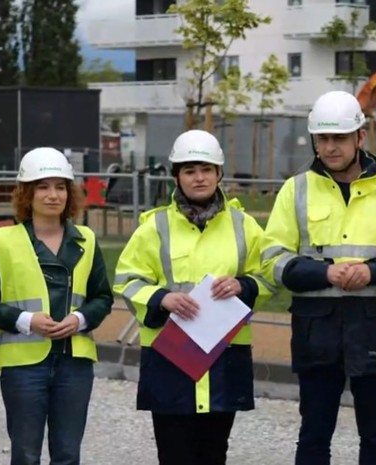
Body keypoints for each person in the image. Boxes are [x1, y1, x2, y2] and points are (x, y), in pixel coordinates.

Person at [260, 90, 376, 465]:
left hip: (373, 330)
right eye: (323, 138)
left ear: (360, 137)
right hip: (316, 332)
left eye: (339, 137)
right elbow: (273, 259)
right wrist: (326, 272)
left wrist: (371, 271)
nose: (330, 147)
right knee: (313, 436)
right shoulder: (295, 190)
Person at [113, 129, 271, 465]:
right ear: (176, 177)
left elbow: (269, 275)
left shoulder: (244, 226)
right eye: (189, 170)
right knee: (174, 454)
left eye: (206, 169)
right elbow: (127, 280)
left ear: (219, 173)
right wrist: (162, 299)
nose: (199, 178)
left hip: (225, 356)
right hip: (170, 355)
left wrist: (243, 286)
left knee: (214, 452)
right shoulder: (154, 227)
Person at [0, 147, 113, 465]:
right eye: (43, 187)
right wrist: (26, 320)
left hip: (74, 364)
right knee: (25, 454)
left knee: (68, 454)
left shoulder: (87, 240)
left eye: (61, 187)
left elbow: (102, 297)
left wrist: (80, 319)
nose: (53, 195)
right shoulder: (5, 242)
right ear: (27, 193)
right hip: (24, 366)